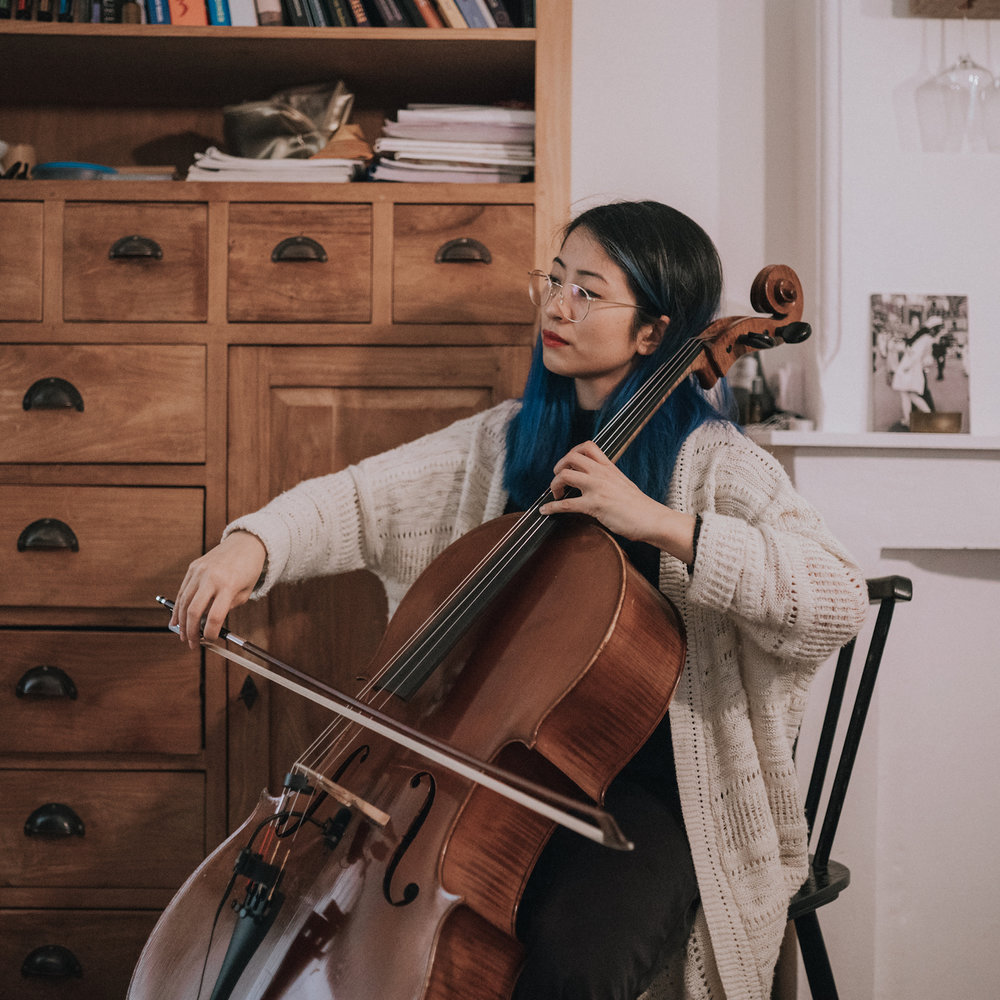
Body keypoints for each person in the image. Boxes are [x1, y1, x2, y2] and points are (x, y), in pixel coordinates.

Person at [171, 200, 868, 1000]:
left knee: (573, 965)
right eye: (555, 279)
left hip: (659, 800)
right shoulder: (507, 440)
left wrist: (666, 526)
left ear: (653, 333)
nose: (557, 306)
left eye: (588, 292)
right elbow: (359, 502)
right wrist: (249, 547)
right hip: (493, 774)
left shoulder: (718, 468)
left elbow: (836, 596)